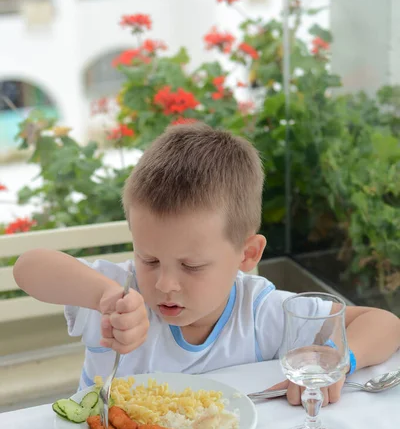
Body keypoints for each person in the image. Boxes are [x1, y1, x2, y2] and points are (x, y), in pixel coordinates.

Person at [13, 124, 400, 406]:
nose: (164, 283)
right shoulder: (118, 293)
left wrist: (338, 361)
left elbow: (384, 323)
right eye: (148, 259)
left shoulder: (259, 312)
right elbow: (28, 267)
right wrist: (105, 296)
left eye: (192, 266)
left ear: (247, 255)